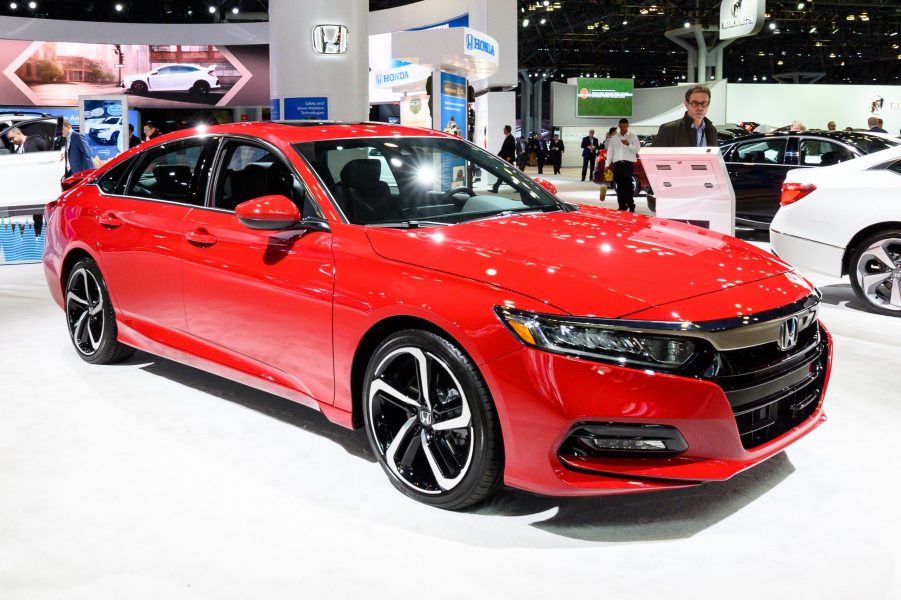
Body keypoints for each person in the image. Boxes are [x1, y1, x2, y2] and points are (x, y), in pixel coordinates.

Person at [653, 85, 719, 147]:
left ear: (708, 104)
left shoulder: (712, 130)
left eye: (704, 103)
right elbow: (653, 157)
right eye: (695, 103)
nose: (700, 108)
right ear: (686, 104)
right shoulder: (668, 130)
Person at [605, 118, 639, 212]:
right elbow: (610, 152)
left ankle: (631, 204)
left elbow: (636, 150)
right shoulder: (614, 138)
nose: (623, 128)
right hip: (617, 165)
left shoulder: (633, 137)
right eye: (621, 126)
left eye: (625, 126)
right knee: (619, 186)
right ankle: (622, 205)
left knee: (628, 185)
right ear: (619, 126)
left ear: (628, 126)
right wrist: (607, 164)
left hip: (628, 164)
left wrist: (628, 144)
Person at [490, 125, 516, 192]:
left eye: (504, 129)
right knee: (504, 173)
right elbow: (504, 149)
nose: (503, 130)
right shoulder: (508, 137)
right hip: (505, 158)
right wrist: (498, 155)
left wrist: (509, 157)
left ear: (507, 130)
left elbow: (512, 148)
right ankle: (495, 187)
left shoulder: (511, 138)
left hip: (508, 159)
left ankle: (520, 187)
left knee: (511, 174)